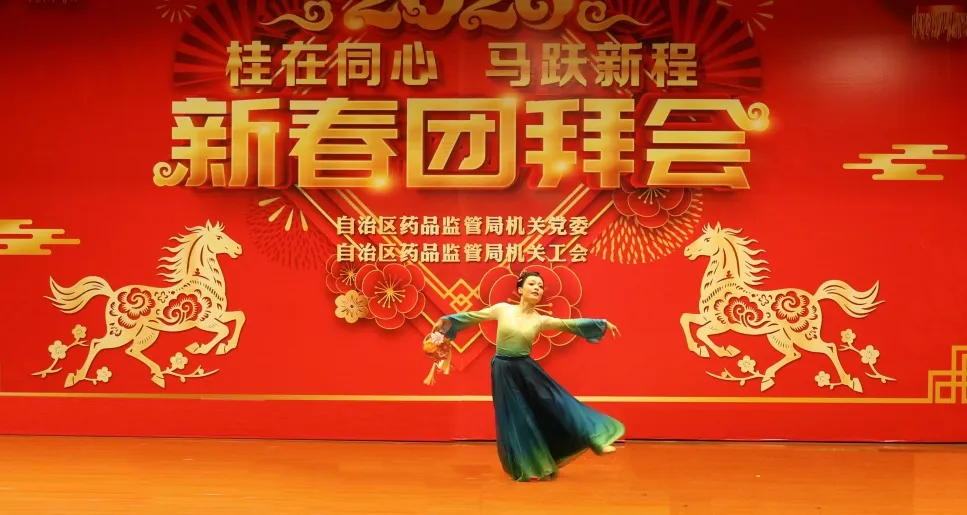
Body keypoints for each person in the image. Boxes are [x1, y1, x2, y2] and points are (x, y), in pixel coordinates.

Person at [431, 270, 625, 482]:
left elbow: (569, 324)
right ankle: (529, 466)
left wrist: (601, 324)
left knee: (558, 402)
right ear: (520, 289)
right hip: (503, 370)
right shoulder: (503, 310)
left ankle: (595, 439)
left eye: (540, 286)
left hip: (526, 368)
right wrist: (445, 322)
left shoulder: (540, 320)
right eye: (532, 284)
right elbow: (472, 317)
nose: (537, 288)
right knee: (517, 418)